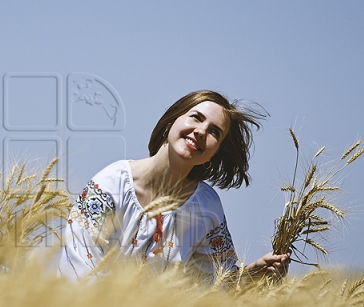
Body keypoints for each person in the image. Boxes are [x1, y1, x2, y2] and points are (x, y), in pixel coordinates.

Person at [59, 90, 289, 283]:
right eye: (196, 118)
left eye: (214, 132)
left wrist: (253, 274)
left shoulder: (206, 207)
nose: (201, 131)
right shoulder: (110, 184)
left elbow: (218, 281)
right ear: (171, 122)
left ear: (214, 153)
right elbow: (78, 266)